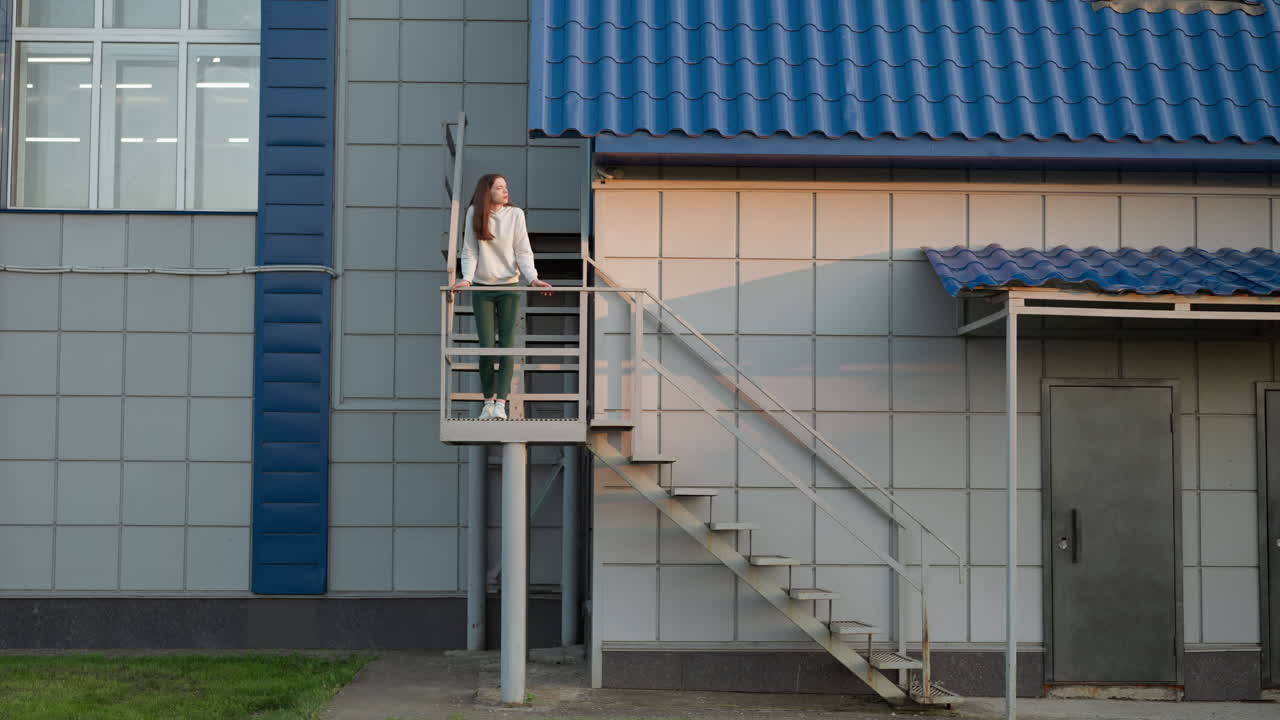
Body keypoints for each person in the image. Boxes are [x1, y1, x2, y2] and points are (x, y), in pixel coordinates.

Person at [451, 174, 553, 420]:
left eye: (506, 187)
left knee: (507, 347)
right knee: (487, 347)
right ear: (488, 191)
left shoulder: (515, 214)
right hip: (482, 288)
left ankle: (501, 403)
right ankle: (488, 402)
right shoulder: (474, 213)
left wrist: (533, 278)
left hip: (509, 287)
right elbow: (470, 249)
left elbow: (523, 251)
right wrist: (467, 278)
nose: (505, 191)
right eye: (499, 187)